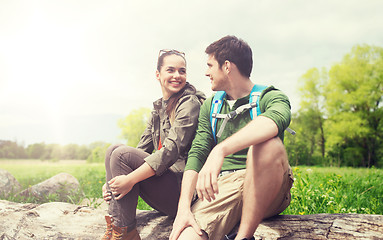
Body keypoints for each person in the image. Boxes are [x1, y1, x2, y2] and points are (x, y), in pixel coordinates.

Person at [169, 36, 294, 240]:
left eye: (210, 65)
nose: (206, 72)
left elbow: (274, 121)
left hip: (268, 186)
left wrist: (221, 150)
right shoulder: (210, 106)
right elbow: (198, 153)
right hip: (223, 188)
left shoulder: (271, 96)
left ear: (226, 66)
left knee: (266, 144)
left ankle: (244, 237)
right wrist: (184, 208)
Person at [101, 49, 206, 240]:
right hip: (168, 186)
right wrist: (114, 181)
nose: (177, 76)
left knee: (121, 155)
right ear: (158, 75)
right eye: (171, 70)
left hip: (186, 194)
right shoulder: (159, 108)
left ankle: (125, 233)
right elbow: (141, 150)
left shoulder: (189, 103)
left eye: (182, 71)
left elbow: (170, 151)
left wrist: (130, 179)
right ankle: (119, 229)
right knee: (114, 150)